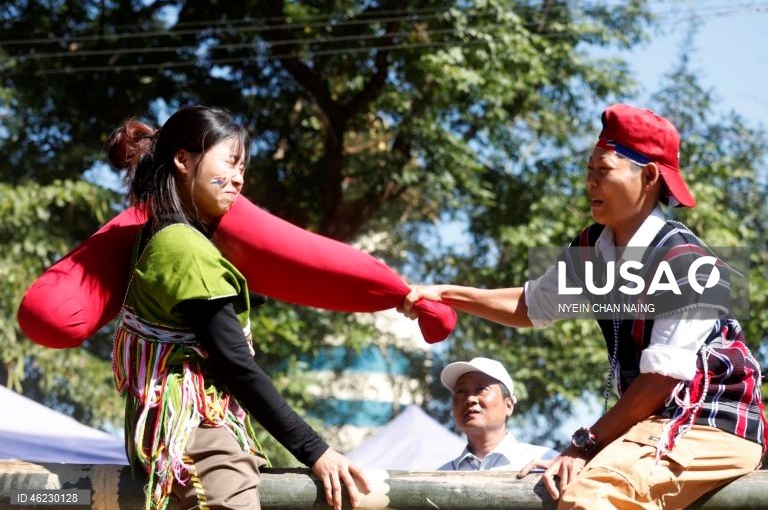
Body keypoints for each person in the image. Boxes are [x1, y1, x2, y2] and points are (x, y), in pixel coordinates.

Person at [400, 104, 766, 509]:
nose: (590, 183)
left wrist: (585, 444)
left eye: (603, 170)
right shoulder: (593, 247)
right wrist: (446, 294)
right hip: (654, 425)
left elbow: (660, 380)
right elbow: (531, 305)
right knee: (554, 487)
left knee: (590, 494)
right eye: (588, 170)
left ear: (648, 177)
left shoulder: (688, 264)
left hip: (712, 423)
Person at [105, 106, 369, 510]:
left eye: (242, 167)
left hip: (169, 438)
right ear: (182, 160)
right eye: (230, 163)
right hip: (201, 439)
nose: (239, 179)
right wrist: (316, 450)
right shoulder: (185, 248)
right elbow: (238, 367)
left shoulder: (156, 235)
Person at [438, 357, 557, 471]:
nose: (470, 399)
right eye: (461, 391)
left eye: (480, 389)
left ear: (509, 405)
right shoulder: (439, 478)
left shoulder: (546, 462)